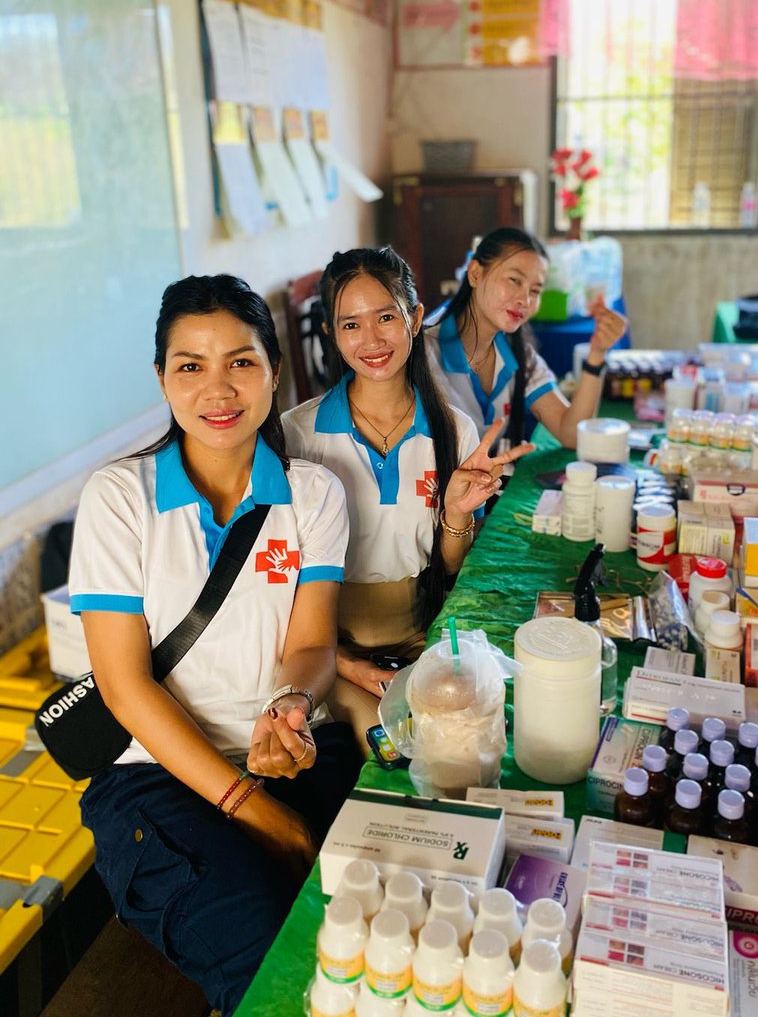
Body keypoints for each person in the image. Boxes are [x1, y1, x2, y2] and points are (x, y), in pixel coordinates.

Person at [69, 275, 358, 1017]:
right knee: (271, 962)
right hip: (155, 778)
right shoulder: (119, 498)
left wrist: (290, 707)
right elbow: (126, 688)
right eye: (190, 366)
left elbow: (312, 642)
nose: (217, 389)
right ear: (162, 378)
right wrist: (260, 812)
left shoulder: (314, 494)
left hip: (289, 751)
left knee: (388, 915)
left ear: (274, 370)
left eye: (241, 361)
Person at [282, 247, 532, 748]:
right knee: (388, 747)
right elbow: (280, 579)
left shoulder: (454, 431)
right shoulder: (298, 435)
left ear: (415, 319)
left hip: (422, 641)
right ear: (330, 334)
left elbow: (449, 560)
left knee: (473, 734)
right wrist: (342, 662)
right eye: (350, 325)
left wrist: (458, 514)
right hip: (329, 651)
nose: (371, 340)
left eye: (386, 317)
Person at [424, 228, 628, 449]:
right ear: (475, 273)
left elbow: (572, 434)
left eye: (535, 290)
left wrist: (597, 354)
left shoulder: (517, 352)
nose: (525, 299)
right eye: (514, 280)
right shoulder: (423, 351)